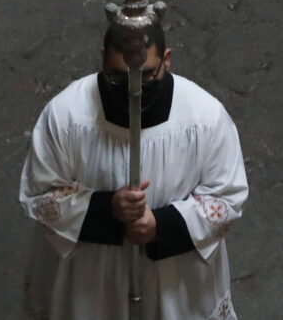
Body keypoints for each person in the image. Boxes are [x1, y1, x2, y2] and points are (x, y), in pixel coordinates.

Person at [18, 21, 248, 320]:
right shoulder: (66, 115)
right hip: (91, 280)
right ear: (102, 58)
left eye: (147, 75)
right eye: (118, 77)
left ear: (166, 59)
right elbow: (41, 195)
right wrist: (107, 209)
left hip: (176, 280)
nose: (134, 90)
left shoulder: (204, 117)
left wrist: (160, 226)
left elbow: (227, 198)